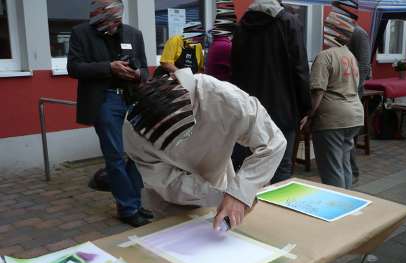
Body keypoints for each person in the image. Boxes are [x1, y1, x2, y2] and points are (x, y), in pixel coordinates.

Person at [123, 68, 286, 229]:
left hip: (219, 179)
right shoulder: (133, 133)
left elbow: (273, 142)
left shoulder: (221, 97)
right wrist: (222, 196)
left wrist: (241, 191)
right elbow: (168, 182)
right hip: (170, 200)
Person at [67, 0, 151, 227]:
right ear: (97, 16)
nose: (113, 25)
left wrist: (137, 74)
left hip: (132, 99)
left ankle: (135, 202)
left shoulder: (133, 34)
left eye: (117, 19)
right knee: (115, 155)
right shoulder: (80, 33)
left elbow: (145, 69)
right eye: (107, 20)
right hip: (105, 99)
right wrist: (109, 67)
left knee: (137, 153)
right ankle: (127, 209)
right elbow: (74, 68)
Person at [231, 0, 311, 183]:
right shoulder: (289, 22)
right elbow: (300, 69)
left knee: (246, 170)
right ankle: (277, 212)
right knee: (281, 170)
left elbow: (234, 71)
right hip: (282, 110)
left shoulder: (241, 26)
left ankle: (246, 210)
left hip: (248, 111)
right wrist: (305, 108)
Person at [300, 1, 364, 189]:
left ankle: (338, 208)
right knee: (344, 165)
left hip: (332, 120)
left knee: (331, 170)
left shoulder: (325, 56)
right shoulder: (350, 55)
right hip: (354, 117)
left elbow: (318, 91)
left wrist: (308, 115)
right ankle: (348, 204)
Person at [347, 24, 371, 182]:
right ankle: (348, 170)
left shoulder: (358, 34)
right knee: (345, 135)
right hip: (342, 92)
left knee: (347, 134)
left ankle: (352, 172)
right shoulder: (340, 32)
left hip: (351, 93)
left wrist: (352, 90)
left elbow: (363, 66)